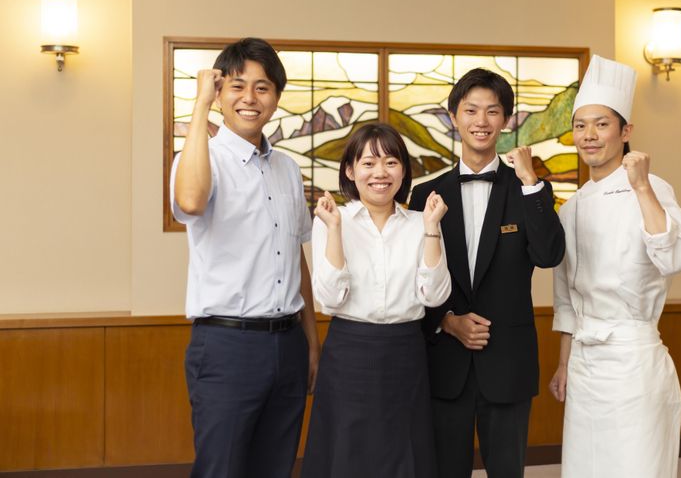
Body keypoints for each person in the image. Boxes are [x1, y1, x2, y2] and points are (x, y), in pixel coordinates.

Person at [170, 37, 320, 478]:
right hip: (227, 346)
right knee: (223, 470)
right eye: (237, 86)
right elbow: (191, 201)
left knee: (275, 468)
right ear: (219, 92)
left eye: (262, 87)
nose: (250, 98)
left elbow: (295, 257)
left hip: (289, 344)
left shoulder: (287, 169)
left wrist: (311, 343)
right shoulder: (201, 156)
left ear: (276, 97)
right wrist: (200, 104)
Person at [408, 68, 566, 478]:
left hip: (508, 361)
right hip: (445, 362)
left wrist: (531, 180)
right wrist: (446, 321)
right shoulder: (425, 195)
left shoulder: (529, 189)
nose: (481, 121)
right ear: (453, 117)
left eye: (493, 111)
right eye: (471, 110)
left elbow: (549, 255)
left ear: (506, 120)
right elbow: (411, 277)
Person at [549, 54, 681, 478]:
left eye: (601, 124)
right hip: (584, 364)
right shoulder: (571, 208)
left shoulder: (652, 188)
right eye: (581, 126)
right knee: (584, 467)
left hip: (633, 360)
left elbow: (676, 257)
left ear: (625, 131)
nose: (589, 135)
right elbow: (566, 297)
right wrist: (564, 363)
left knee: (636, 466)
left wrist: (642, 187)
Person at [301, 123, 451, 478]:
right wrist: (334, 230)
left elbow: (434, 295)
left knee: (405, 455)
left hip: (405, 352)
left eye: (390, 162)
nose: (380, 173)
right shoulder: (331, 220)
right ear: (350, 171)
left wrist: (432, 227)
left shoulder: (421, 223)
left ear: (403, 171)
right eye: (368, 163)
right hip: (349, 352)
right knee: (347, 456)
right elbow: (330, 299)